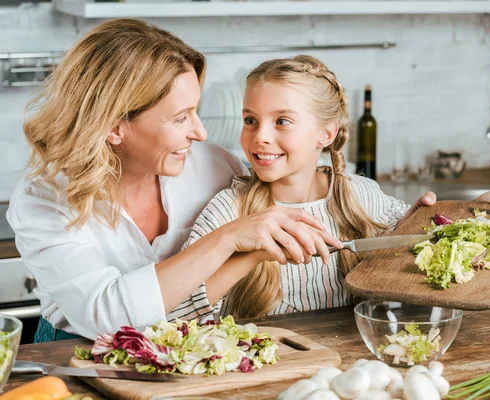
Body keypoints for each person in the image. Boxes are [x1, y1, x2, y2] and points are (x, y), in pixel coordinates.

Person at [6, 19, 346, 342]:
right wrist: (226, 239)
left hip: (188, 350)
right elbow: (104, 316)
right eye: (181, 118)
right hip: (74, 354)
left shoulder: (214, 166)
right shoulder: (44, 200)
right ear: (113, 127)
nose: (200, 132)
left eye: (195, 111)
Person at [169, 55, 490, 322]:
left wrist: (469, 219)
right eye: (250, 120)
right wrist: (251, 256)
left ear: (325, 134)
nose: (260, 136)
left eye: (282, 121)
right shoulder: (229, 211)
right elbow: (174, 314)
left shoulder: (361, 196)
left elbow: (425, 259)